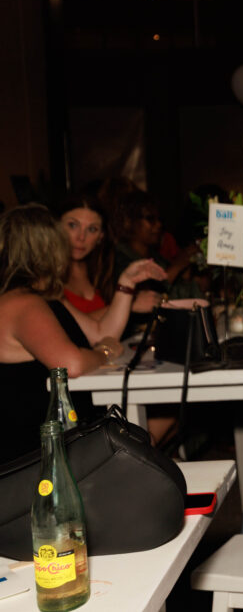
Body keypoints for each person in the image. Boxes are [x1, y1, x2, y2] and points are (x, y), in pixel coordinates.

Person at [0, 205, 130, 463]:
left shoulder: (29, 299)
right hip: (32, 455)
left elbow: (96, 330)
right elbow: (71, 364)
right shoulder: (24, 305)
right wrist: (103, 353)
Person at [56, 192, 165, 320]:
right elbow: (61, 329)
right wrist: (126, 304)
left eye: (92, 229)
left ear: (100, 237)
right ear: (56, 226)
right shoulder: (47, 277)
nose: (81, 237)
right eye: (73, 225)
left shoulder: (105, 271)